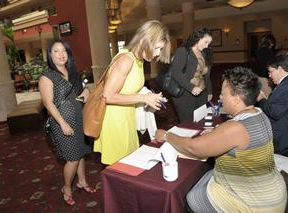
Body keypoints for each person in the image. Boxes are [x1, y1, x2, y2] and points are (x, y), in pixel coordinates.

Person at [155, 67, 287, 212]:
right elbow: (238, 138)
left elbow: (193, 148)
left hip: (254, 204)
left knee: (190, 197)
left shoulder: (235, 128)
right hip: (271, 192)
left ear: (236, 99)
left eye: (223, 94)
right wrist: (217, 133)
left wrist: (167, 135)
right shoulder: (259, 114)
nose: (220, 97)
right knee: (204, 176)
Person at [93, 20, 171, 165]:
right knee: (120, 167)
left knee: (127, 163)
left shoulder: (138, 60)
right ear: (146, 40)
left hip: (126, 117)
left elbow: (128, 87)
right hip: (114, 121)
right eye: (157, 48)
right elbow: (107, 96)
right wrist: (143, 98)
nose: (158, 54)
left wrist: (148, 96)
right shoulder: (126, 60)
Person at [39, 39, 96, 206]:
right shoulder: (47, 76)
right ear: (50, 55)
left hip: (79, 118)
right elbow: (48, 104)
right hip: (61, 122)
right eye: (56, 51)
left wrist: (86, 91)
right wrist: (63, 123)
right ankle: (66, 188)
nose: (61, 54)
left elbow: (80, 90)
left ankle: (82, 182)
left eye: (63, 50)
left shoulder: (72, 72)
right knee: (72, 158)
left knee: (81, 152)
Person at [257, 55, 288, 155]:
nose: (269, 75)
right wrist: (268, 99)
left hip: (284, 140)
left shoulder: (287, 87)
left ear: (280, 69)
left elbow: (274, 113)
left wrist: (262, 100)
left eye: (271, 71)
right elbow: (280, 104)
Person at [170, 28, 213, 122]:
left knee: (201, 121)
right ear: (198, 38)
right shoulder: (183, 51)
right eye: (206, 42)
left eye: (209, 44)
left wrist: (209, 91)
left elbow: (206, 75)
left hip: (201, 93)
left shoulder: (204, 54)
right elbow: (176, 72)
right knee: (188, 123)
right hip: (185, 94)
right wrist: (191, 87)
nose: (207, 46)